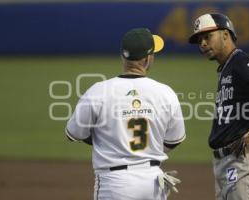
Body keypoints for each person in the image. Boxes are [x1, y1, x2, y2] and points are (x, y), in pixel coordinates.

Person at [65, 28, 186, 200]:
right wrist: (145, 152)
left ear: (123, 56)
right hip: (152, 182)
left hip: (114, 184)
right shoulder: (166, 93)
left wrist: (110, 140)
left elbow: (74, 134)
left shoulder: (97, 91)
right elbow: (175, 139)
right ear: (147, 59)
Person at [189, 13, 249, 200]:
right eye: (199, 40)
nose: (202, 43)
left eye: (207, 36)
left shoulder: (241, 62)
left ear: (226, 35)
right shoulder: (227, 68)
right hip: (227, 164)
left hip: (242, 161)